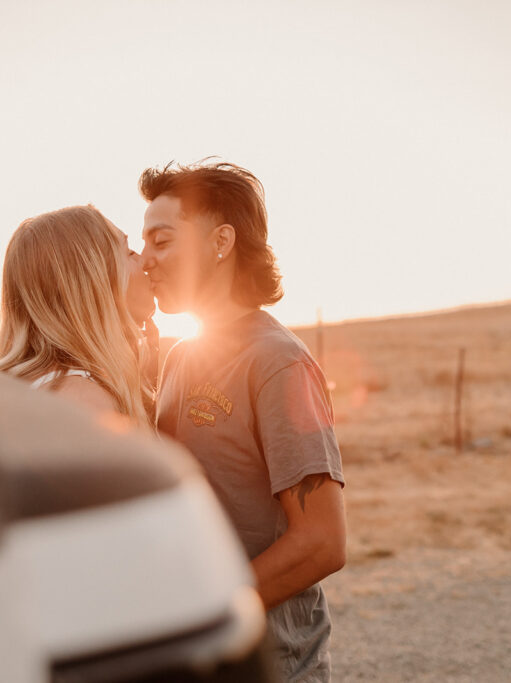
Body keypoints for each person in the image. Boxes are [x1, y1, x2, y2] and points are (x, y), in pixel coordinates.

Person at [139, 161, 346, 682]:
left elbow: (322, 540)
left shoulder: (279, 364)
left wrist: (209, 611)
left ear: (221, 242)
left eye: (161, 241)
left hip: (273, 664)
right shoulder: (180, 355)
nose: (146, 261)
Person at [0, 204, 156, 428]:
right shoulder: (84, 402)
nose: (144, 261)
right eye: (128, 252)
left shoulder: (33, 385)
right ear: (96, 284)